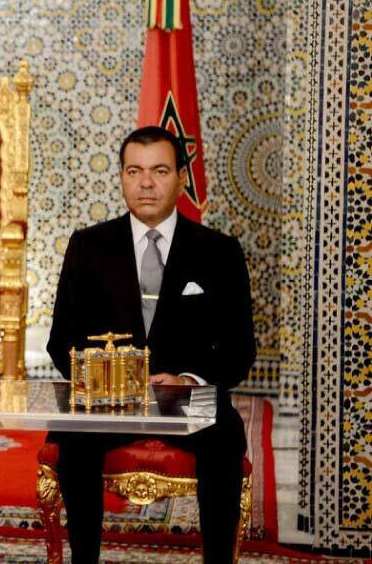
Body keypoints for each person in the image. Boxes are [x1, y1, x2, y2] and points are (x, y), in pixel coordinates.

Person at [47, 126, 256, 563]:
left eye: (159, 171)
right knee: (74, 439)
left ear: (181, 178)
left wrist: (186, 379)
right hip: (110, 398)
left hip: (189, 395)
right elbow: (61, 341)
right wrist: (117, 380)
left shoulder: (220, 251)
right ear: (121, 177)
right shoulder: (88, 246)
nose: (146, 183)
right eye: (134, 171)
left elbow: (239, 350)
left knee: (223, 440)